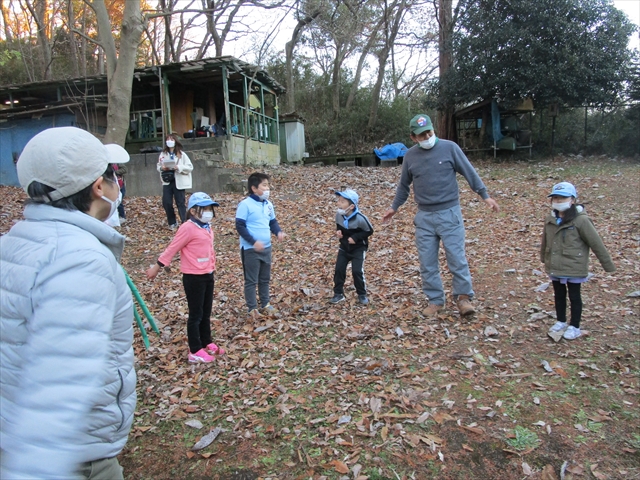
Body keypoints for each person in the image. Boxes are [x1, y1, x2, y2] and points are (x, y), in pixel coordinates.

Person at [0, 127, 136, 479]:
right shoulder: (81, 259)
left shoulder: (12, 243)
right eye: (112, 176)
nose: (115, 184)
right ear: (97, 187)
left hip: (11, 431)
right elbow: (59, 382)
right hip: (74, 457)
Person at [382, 114, 500, 317]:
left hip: (449, 213)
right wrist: (394, 207)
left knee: (456, 257)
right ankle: (436, 300)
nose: (427, 136)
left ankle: (463, 298)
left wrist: (484, 195)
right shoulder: (410, 156)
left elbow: (469, 171)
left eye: (429, 132)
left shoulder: (450, 148)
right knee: (427, 262)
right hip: (425, 216)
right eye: (421, 135)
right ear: (413, 137)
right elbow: (404, 185)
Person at [146, 192, 225, 363]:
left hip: (207, 274)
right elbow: (172, 248)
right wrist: (157, 267)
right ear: (193, 211)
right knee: (196, 314)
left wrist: (212, 267)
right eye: (203, 209)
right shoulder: (187, 228)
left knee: (206, 312)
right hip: (193, 276)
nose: (208, 212)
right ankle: (195, 349)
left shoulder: (207, 227)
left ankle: (206, 341)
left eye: (209, 208)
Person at [541, 182, 615, 340]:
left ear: (572, 200)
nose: (558, 201)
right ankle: (561, 321)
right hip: (555, 264)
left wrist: (607, 265)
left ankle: (575, 325)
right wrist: (544, 258)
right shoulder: (550, 219)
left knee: (574, 296)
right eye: (555, 198)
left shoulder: (581, 220)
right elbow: (545, 241)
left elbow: (596, 243)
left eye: (563, 198)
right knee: (558, 295)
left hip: (574, 265)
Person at [235, 172, 286, 317]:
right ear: (254, 188)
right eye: (264, 185)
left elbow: (272, 222)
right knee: (251, 280)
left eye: (268, 185)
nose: (267, 188)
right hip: (250, 249)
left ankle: (265, 304)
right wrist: (253, 241)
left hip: (266, 248)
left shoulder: (269, 205)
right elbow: (240, 226)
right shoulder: (245, 205)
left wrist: (278, 232)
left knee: (265, 278)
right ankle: (252, 308)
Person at [330, 189, 374, 305]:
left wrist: (356, 237)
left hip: (358, 249)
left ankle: (362, 294)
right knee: (339, 269)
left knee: (357, 271)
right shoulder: (339, 215)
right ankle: (338, 293)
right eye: (339, 201)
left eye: (342, 202)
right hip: (344, 247)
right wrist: (339, 231)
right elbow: (338, 226)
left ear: (352, 206)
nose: (339, 203)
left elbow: (369, 231)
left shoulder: (360, 219)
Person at [157, 134, 193, 229]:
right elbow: (158, 165)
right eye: (168, 139)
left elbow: (190, 167)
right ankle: (172, 222)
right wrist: (162, 167)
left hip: (179, 180)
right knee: (166, 202)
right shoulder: (163, 154)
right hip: (167, 181)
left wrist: (179, 167)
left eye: (171, 139)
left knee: (180, 202)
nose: (169, 141)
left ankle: (184, 222)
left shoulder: (182, 154)